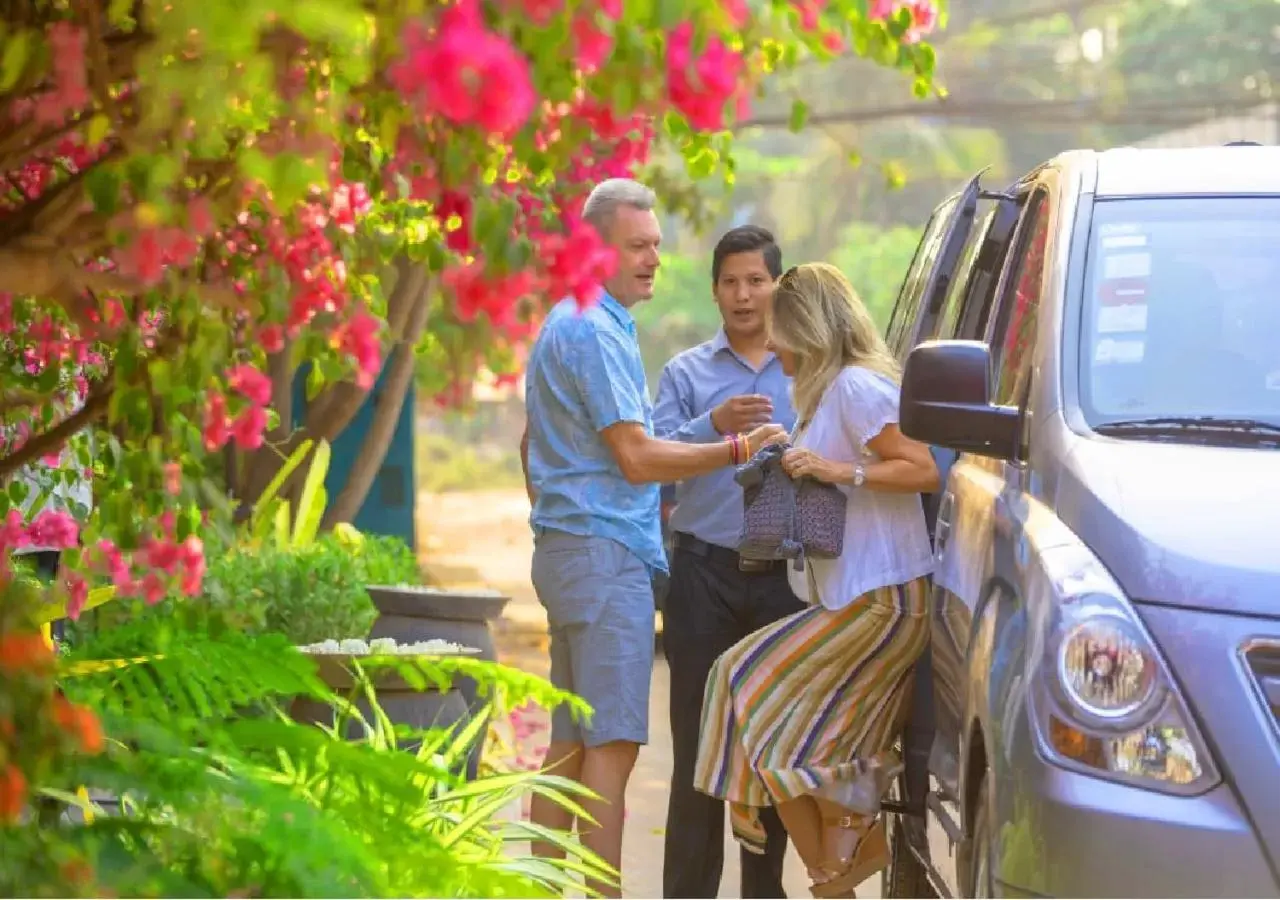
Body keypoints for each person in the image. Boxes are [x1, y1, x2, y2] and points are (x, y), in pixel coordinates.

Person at [519, 178, 787, 898]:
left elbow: (539, 448)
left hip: (576, 552)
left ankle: (541, 888)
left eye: (657, 248)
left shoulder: (570, 321)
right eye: (637, 246)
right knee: (611, 744)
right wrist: (735, 453)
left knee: (573, 745)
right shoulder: (594, 330)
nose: (652, 261)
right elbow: (637, 459)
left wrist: (708, 430)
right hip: (604, 560)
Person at [693, 262, 940, 899]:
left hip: (883, 601)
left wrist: (837, 471)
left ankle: (837, 865)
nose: (770, 346)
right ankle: (836, 873)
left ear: (808, 328)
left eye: (778, 331)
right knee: (802, 747)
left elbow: (922, 469)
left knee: (740, 682)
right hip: (852, 599)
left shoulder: (859, 387)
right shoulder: (829, 395)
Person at [652, 225, 803, 899]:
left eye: (756, 280)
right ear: (714, 290)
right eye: (730, 282)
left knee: (768, 751)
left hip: (787, 582)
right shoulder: (686, 373)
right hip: (703, 576)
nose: (743, 295)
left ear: (779, 284)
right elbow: (651, 459)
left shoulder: (807, 366)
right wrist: (712, 425)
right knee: (697, 751)